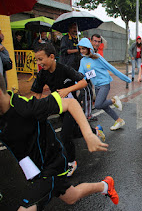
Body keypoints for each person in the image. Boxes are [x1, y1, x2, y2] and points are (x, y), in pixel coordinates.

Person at [0, 74, 119, 211]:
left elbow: (71, 103)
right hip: (33, 169)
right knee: (71, 197)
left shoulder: (26, 108)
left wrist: (88, 134)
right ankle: (105, 186)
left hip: (51, 165)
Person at [31, 43, 102, 177]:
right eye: (37, 60)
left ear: (52, 57)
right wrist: (35, 109)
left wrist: (67, 90)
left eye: (40, 59)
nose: (39, 63)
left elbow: (83, 82)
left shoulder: (64, 69)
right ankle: (95, 131)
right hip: (60, 107)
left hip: (73, 106)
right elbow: (36, 93)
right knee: (74, 133)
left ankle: (71, 163)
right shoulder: (42, 74)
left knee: (64, 135)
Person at [78, 38, 131, 130]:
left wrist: (125, 78)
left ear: (88, 48)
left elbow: (110, 67)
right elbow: (80, 74)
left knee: (98, 105)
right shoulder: (82, 61)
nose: (81, 51)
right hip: (97, 86)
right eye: (80, 49)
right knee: (104, 106)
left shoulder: (97, 57)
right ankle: (119, 120)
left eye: (83, 48)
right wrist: (75, 83)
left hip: (104, 83)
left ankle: (114, 100)